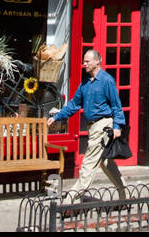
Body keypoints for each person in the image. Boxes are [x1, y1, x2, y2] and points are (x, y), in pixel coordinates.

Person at [49, 49, 126, 200]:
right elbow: (74, 104)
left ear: (98, 61)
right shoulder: (85, 83)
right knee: (106, 163)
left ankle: (71, 200)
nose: (83, 64)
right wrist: (58, 116)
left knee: (88, 164)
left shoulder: (106, 80)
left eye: (87, 61)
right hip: (92, 126)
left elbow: (117, 106)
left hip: (103, 125)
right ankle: (127, 196)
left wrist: (117, 126)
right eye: (83, 61)